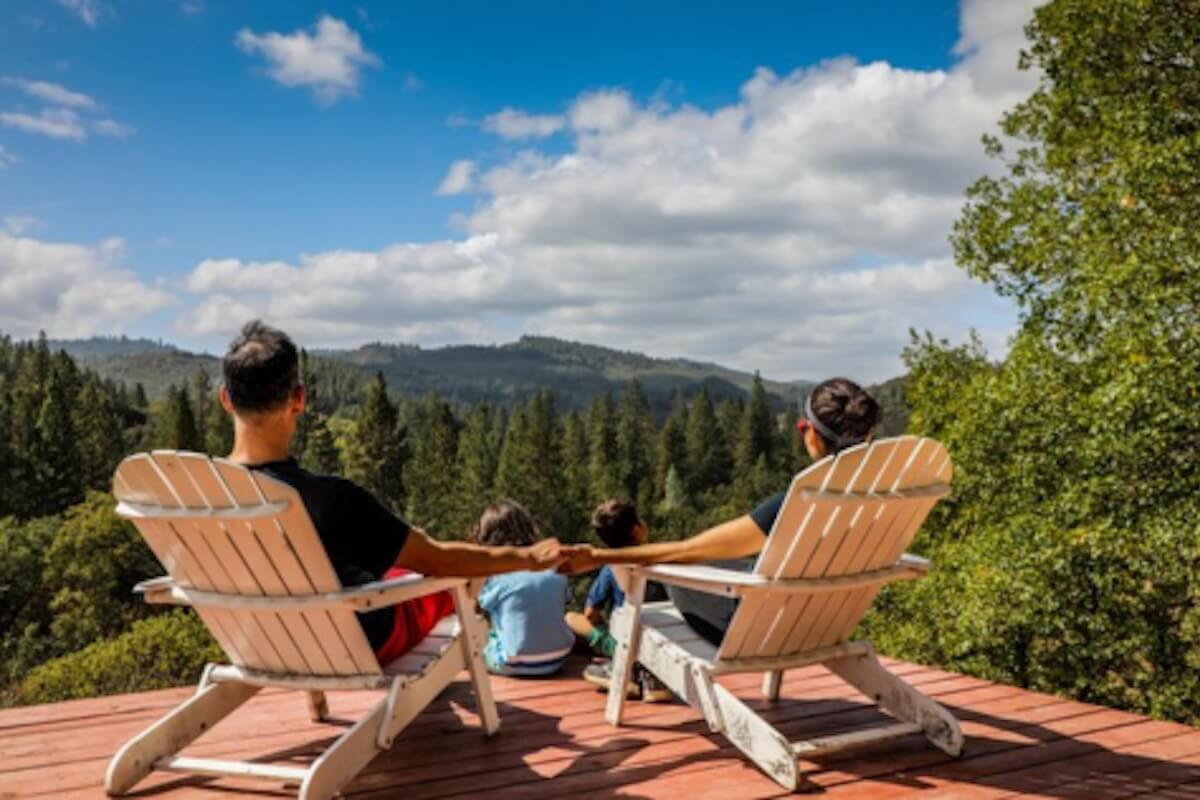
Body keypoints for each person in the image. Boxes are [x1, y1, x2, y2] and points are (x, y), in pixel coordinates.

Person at [219, 320, 571, 666]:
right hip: (354, 644)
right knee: (442, 582)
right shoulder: (334, 499)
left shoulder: (200, 497)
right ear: (299, 399)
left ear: (226, 399)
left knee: (394, 575)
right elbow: (440, 560)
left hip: (258, 643)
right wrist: (528, 558)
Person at [563, 378, 880, 689]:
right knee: (736, 567)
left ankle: (641, 671)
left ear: (808, 434)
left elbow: (688, 550)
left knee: (679, 569)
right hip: (827, 624)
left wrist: (597, 556)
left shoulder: (795, 504)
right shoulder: (881, 499)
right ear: (867, 437)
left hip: (760, 634)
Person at [567, 499, 672, 701]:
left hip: (629, 637)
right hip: (664, 637)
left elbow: (590, 614)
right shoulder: (661, 559)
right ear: (637, 529)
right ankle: (652, 681)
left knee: (571, 618)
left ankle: (623, 672)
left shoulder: (611, 567)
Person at [474, 501, 576, 676]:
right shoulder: (554, 567)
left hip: (513, 662)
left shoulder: (495, 574)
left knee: (479, 638)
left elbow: (476, 608)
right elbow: (563, 600)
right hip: (559, 657)